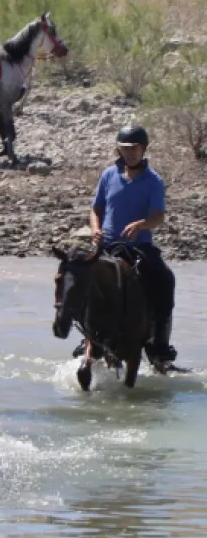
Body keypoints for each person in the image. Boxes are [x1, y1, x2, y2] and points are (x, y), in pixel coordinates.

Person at [83, 124, 177, 368]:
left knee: (166, 280)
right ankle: (87, 337)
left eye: (134, 148)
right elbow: (96, 208)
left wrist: (142, 224)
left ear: (143, 149)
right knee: (79, 278)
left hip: (139, 248)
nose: (130, 153)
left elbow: (159, 217)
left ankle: (160, 348)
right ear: (118, 150)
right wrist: (95, 229)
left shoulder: (153, 181)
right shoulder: (108, 175)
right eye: (125, 149)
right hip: (107, 245)